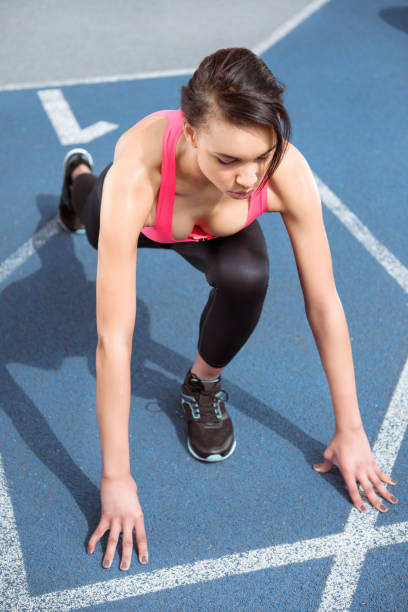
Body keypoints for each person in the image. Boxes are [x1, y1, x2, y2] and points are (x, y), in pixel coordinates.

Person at [57, 48, 398, 572]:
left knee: (248, 276)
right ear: (192, 134)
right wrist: (116, 478)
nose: (247, 178)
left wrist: (350, 429)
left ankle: (201, 382)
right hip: (148, 215)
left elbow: (324, 303)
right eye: (229, 160)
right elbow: (115, 340)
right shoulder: (137, 177)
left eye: (260, 156)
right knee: (88, 212)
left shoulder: (281, 172)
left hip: (215, 229)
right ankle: (76, 174)